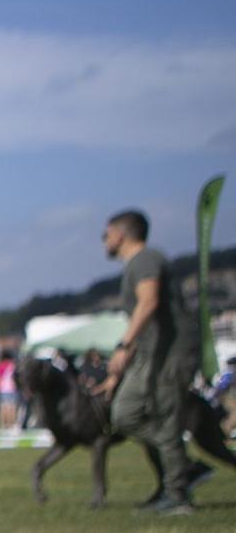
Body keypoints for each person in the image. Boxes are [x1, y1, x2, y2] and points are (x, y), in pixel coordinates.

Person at [95, 209, 194, 514]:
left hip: (170, 354)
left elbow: (149, 303)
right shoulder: (137, 264)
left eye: (106, 235)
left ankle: (178, 492)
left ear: (120, 234)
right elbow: (146, 318)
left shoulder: (146, 260)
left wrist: (124, 345)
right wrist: (118, 371)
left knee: (160, 418)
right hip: (151, 354)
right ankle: (181, 469)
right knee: (126, 413)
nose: (103, 242)